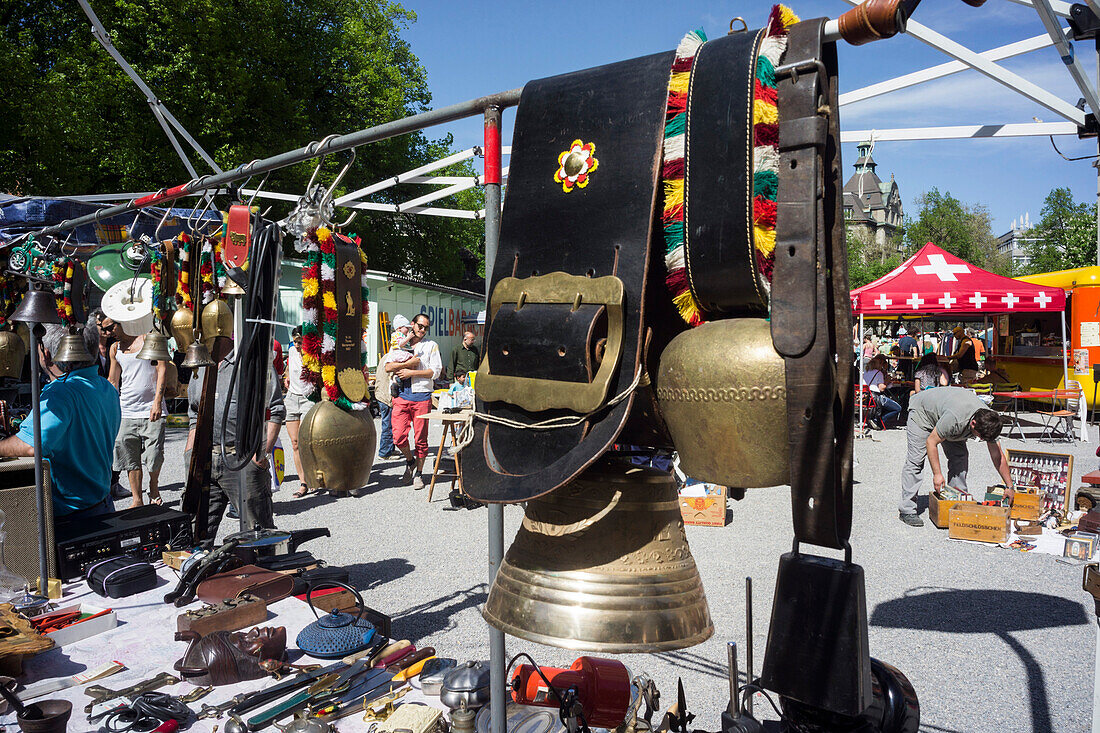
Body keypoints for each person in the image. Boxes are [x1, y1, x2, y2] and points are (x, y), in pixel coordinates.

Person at [0, 324, 121, 518]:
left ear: (46, 354)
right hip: (102, 504)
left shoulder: (61, 392)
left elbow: (32, 445)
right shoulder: (104, 386)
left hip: (71, 515)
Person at [187, 336, 285, 541]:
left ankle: (265, 571)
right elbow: (194, 414)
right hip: (204, 460)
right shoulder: (199, 362)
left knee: (259, 534)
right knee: (195, 533)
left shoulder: (252, 362)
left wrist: (259, 458)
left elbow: (274, 410)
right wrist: (190, 454)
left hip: (242, 460)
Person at [899, 386, 1014, 527]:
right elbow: (931, 442)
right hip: (922, 414)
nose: (983, 440)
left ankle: (957, 502)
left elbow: (997, 456)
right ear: (973, 424)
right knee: (916, 460)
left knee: (960, 456)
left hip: (946, 414)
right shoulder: (956, 419)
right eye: (981, 437)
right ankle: (907, 509)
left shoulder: (990, 420)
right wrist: (937, 474)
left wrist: (1009, 485)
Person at [108, 322, 167, 508]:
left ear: (122, 322)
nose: (109, 333)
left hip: (151, 409)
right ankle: (137, 499)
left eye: (111, 328)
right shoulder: (115, 348)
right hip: (126, 410)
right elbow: (113, 380)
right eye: (106, 329)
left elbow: (162, 368)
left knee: (154, 454)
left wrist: (157, 402)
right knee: (129, 456)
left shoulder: (148, 339)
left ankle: (154, 486)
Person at [387, 313, 442, 489]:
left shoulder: (431, 345)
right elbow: (388, 366)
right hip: (401, 395)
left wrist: (412, 373)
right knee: (398, 437)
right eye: (420, 325)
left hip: (421, 396)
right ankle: (410, 461)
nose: (422, 329)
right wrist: (406, 366)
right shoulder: (399, 344)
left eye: (426, 327)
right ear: (412, 324)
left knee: (421, 439)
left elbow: (436, 371)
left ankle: (419, 473)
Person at [283, 327, 314, 498]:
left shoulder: (312, 356)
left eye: (300, 342)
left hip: (307, 398)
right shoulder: (291, 350)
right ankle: (303, 483)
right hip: (292, 397)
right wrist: (286, 376)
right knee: (295, 443)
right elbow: (289, 366)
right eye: (295, 342)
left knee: (305, 440)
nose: (297, 345)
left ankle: (313, 477)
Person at [863, 355, 903, 427]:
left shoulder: (866, 372)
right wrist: (887, 381)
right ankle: (878, 421)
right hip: (876, 398)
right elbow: (882, 388)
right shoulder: (878, 373)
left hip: (866, 397)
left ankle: (876, 420)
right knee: (898, 408)